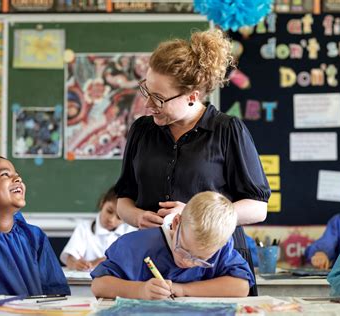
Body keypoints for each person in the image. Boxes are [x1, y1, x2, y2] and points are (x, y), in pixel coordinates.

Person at [114, 28, 270, 296]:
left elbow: (258, 208)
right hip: (154, 261)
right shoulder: (142, 130)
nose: (148, 105)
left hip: (216, 264)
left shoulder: (227, 130)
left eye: (160, 98)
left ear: (193, 96)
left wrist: (197, 216)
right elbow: (123, 201)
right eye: (146, 91)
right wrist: (138, 216)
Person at [91, 191, 255, 299]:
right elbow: (99, 285)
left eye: (200, 260)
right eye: (184, 250)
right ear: (176, 222)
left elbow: (241, 286)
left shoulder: (220, 249)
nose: (187, 262)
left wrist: (183, 290)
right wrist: (140, 290)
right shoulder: (136, 245)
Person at [0, 155, 70, 295]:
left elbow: (56, 292)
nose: (18, 179)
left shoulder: (34, 237)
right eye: (5, 174)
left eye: (17, 175)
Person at [60, 186, 136, 271]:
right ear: (102, 202)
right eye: (109, 211)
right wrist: (75, 264)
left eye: (119, 217)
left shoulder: (131, 232)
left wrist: (103, 261)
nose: (111, 219)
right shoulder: (84, 228)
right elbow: (70, 259)